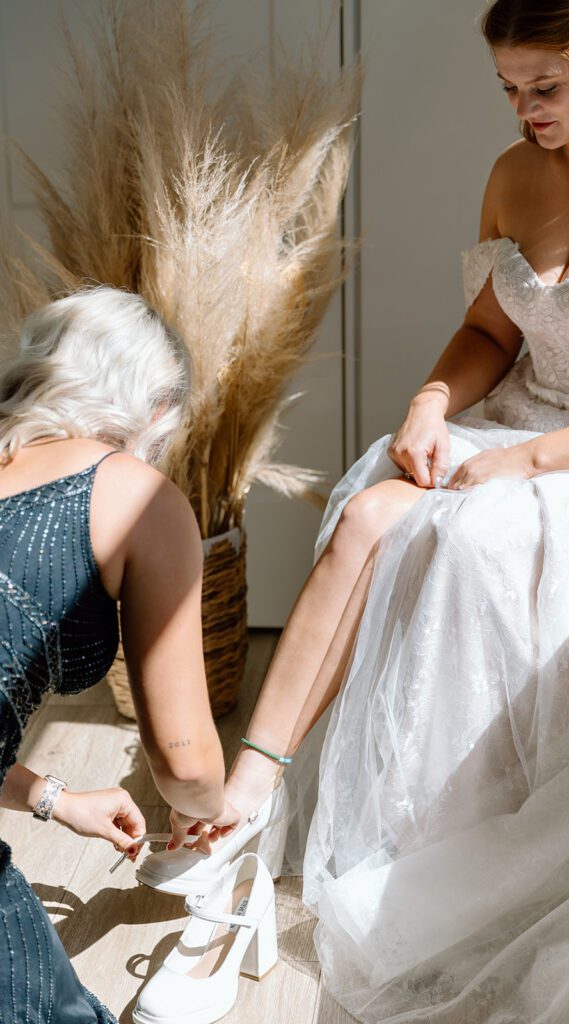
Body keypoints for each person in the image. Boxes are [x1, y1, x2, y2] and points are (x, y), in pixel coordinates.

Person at [138, 0, 569, 1020]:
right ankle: (248, 799)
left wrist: (525, 463)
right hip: (513, 425)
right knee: (362, 513)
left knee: (468, 544)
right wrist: (433, 400)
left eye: (543, 88)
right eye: (507, 90)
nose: (522, 111)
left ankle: (439, 847)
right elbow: (488, 326)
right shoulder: (515, 175)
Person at [0, 287, 227, 1023]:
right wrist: (209, 810)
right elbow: (186, 763)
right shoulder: (132, 493)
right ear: (155, 409)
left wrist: (52, 797)